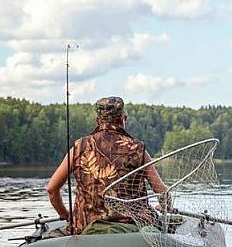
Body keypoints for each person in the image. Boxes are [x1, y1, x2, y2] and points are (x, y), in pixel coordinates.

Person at [46, 96, 168, 237]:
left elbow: (51, 190)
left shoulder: (79, 147)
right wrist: (166, 206)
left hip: (85, 228)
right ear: (122, 119)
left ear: (97, 121)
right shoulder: (137, 148)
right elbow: (162, 191)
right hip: (132, 228)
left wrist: (67, 216)